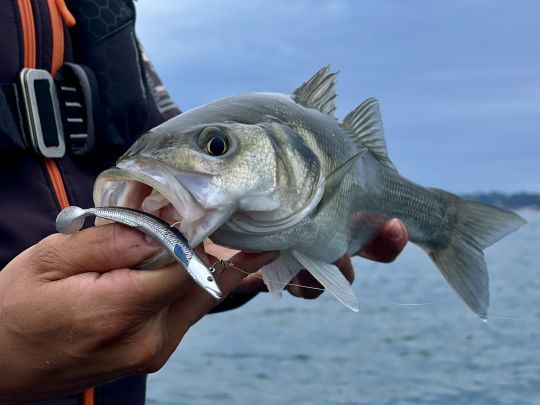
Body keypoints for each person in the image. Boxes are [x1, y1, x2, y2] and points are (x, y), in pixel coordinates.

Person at [0, 1, 408, 403]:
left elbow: (173, 155)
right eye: (217, 145)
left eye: (216, 146)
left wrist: (212, 264)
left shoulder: (101, 12)